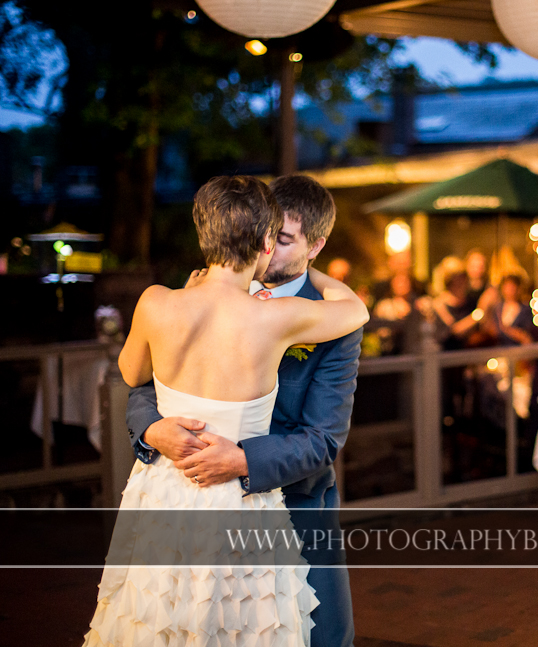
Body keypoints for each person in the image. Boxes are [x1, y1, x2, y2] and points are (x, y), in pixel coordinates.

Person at [122, 175, 367, 647]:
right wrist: (152, 429)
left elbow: (324, 439)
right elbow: (145, 386)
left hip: (291, 504)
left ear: (315, 246)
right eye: (270, 235)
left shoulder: (316, 317)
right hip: (186, 487)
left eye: (286, 239)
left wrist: (241, 461)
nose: (271, 250)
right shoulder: (200, 296)